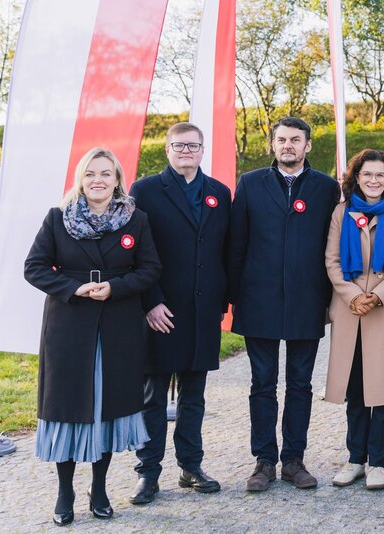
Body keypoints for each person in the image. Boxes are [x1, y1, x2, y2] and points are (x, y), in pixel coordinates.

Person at [24, 147, 161, 526]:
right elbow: (34, 268)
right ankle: (65, 491)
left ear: (117, 179)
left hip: (118, 327)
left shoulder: (136, 221)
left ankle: (99, 489)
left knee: (107, 408)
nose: (98, 180)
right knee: (68, 409)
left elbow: (150, 269)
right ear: (81, 180)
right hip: (69, 327)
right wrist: (75, 288)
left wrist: (115, 287)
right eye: (90, 174)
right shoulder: (57, 220)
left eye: (105, 174)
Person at [228, 117, 341, 491]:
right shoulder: (250, 183)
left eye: (295, 139)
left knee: (300, 384)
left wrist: (331, 299)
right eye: (282, 139)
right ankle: (263, 461)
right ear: (272, 145)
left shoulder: (326, 188)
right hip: (258, 299)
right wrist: (232, 297)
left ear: (308, 145)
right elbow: (236, 245)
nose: (288, 145)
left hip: (308, 300)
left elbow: (333, 245)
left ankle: (294, 460)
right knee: (262, 384)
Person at [127, 122, 231, 504]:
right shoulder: (145, 191)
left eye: (193, 146)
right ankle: (148, 472)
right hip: (160, 310)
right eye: (179, 145)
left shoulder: (219, 193)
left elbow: (224, 251)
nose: (186, 151)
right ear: (167, 149)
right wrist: (150, 301)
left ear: (203, 150)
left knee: (194, 395)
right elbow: (137, 251)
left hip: (203, 310)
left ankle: (190, 465)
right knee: (152, 396)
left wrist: (220, 302)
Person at [324, 149, 384, 491]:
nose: (374, 180)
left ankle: (378, 463)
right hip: (352, 313)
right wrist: (353, 295)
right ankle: (355, 460)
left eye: (380, 175)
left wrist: (378, 295)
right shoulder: (342, 212)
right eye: (367, 175)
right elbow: (332, 261)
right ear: (356, 178)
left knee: (383, 391)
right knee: (355, 391)